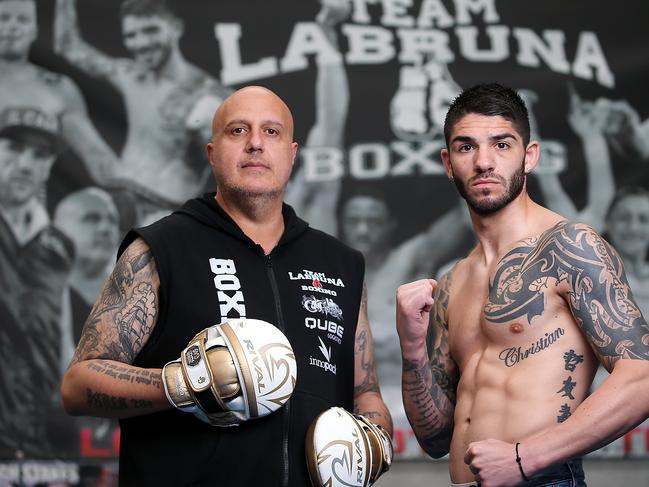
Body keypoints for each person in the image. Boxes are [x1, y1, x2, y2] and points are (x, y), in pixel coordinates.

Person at [60, 85, 392, 486]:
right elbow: (79, 385)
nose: (255, 144)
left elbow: (366, 392)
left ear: (292, 154)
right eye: (237, 131)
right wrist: (181, 384)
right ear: (212, 154)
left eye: (271, 132)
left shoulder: (340, 264)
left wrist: (373, 440)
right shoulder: (161, 248)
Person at [396, 83, 649, 486]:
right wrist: (412, 348)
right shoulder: (452, 282)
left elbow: (642, 378)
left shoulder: (569, 247)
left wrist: (526, 458)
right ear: (447, 163)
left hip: (543, 478)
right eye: (465, 147)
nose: (483, 162)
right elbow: (435, 437)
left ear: (529, 156)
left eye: (501, 145)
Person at [54, 0, 230, 224]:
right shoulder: (129, 75)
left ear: (175, 28)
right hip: (118, 206)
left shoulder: (215, 96)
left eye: (151, 30)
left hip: (168, 215)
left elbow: (238, 170)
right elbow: (68, 47)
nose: (141, 43)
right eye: (131, 35)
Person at [0, 106, 75, 458]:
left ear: (48, 168)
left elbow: (60, 335)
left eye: (40, 155)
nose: (26, 164)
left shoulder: (59, 245)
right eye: (14, 148)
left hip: (36, 431)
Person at [0, 0, 117, 185]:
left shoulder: (57, 89)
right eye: (4, 18)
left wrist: (127, 189)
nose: (12, 26)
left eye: (22, 20)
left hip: (27, 205)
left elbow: (95, 153)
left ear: (34, 31)